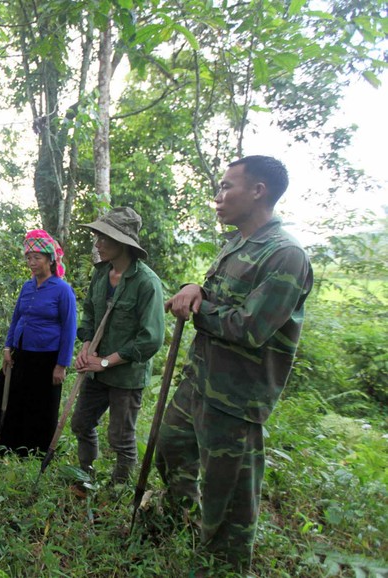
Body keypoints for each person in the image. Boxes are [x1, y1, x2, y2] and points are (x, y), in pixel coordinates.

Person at [155, 156, 314, 572]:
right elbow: (210, 293)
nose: (218, 197)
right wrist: (193, 288)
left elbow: (250, 327)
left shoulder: (285, 255)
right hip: (199, 381)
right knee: (170, 448)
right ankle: (176, 521)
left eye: (227, 187)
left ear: (258, 191)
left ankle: (223, 566)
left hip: (236, 397)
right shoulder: (236, 244)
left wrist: (197, 309)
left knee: (229, 495)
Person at [70, 207, 165, 486]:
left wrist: (106, 361)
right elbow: (89, 313)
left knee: (121, 437)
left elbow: (150, 339)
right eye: (98, 237)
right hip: (96, 370)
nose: (98, 245)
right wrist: (87, 347)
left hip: (125, 376)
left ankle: (119, 488)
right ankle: (85, 476)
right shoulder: (101, 275)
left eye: (104, 239)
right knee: (81, 424)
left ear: (123, 243)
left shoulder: (147, 283)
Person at [0, 229, 77, 456]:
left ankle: (37, 451)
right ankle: (6, 444)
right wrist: (8, 347)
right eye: (28, 257)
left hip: (47, 357)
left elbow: (69, 328)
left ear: (49, 260)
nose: (31, 262)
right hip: (21, 353)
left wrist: (61, 365)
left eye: (37, 257)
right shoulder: (27, 287)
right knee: (3, 394)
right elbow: (17, 318)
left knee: (42, 404)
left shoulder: (62, 290)